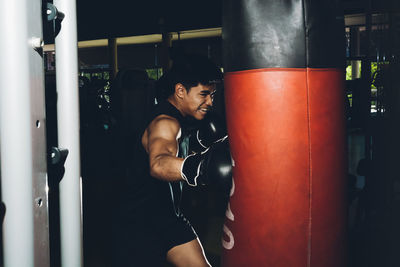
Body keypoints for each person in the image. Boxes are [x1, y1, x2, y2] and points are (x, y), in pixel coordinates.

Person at [112, 54, 232, 267]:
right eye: (204, 94)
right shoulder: (165, 122)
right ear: (180, 91)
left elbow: (175, 150)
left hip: (169, 219)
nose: (210, 102)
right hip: (139, 226)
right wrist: (202, 167)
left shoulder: (180, 121)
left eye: (212, 95)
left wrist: (197, 144)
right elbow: (159, 163)